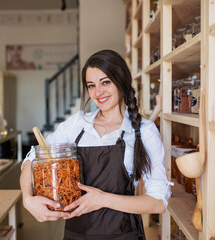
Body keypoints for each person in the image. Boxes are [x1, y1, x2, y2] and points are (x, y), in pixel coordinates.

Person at [20, 50, 171, 240]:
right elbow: (32, 159)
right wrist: (27, 199)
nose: (98, 92)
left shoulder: (144, 131)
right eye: (91, 86)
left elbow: (158, 203)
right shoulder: (77, 125)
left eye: (105, 82)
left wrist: (103, 199)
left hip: (123, 235)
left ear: (121, 81)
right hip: (76, 235)